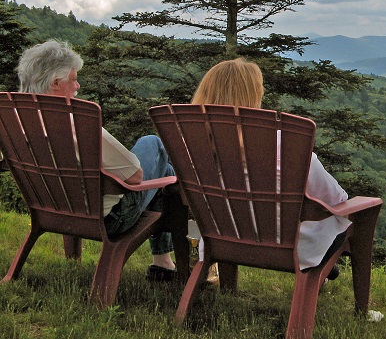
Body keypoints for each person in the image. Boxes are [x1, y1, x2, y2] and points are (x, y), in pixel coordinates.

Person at [16, 40, 182, 281]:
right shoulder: (76, 122)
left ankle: (163, 263)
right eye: (73, 79)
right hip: (108, 219)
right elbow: (135, 176)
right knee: (153, 144)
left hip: (50, 208)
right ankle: (168, 261)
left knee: (164, 171)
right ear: (55, 83)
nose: (78, 85)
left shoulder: (16, 120)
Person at [191, 58, 350, 272]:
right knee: (348, 218)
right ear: (252, 96)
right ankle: (319, 272)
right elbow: (336, 200)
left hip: (222, 239)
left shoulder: (191, 146)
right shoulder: (285, 148)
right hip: (287, 247)